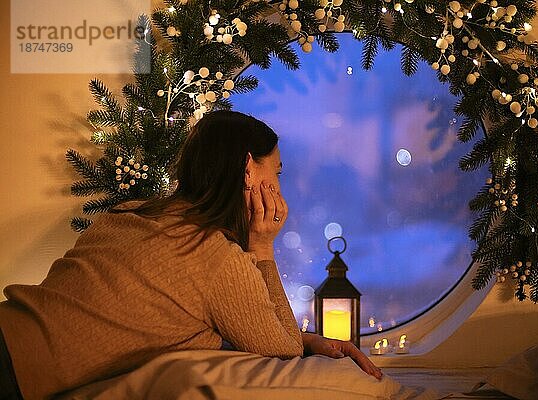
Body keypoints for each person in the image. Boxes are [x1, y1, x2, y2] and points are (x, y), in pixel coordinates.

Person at [0, 110, 381, 400]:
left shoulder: (131, 211)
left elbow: (161, 314)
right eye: (276, 172)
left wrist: (306, 339)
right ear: (248, 170)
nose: (280, 187)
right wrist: (262, 247)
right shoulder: (217, 257)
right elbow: (280, 350)